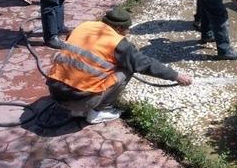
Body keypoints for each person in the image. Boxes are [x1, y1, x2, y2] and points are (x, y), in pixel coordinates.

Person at [46, 7, 193, 124]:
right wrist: (176, 76)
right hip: (80, 100)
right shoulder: (117, 43)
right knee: (127, 68)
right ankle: (96, 112)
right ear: (119, 28)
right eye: (126, 29)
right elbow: (144, 64)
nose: (127, 33)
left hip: (55, 91)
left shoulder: (85, 25)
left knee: (107, 63)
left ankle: (76, 109)